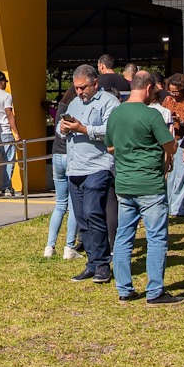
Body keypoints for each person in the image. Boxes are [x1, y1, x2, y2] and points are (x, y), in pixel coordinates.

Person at [107, 70, 182, 305]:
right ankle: (155, 291)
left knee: (123, 237)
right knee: (156, 237)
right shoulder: (151, 115)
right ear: (149, 88)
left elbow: (110, 148)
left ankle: (124, 289)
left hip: (124, 184)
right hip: (150, 184)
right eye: (156, 92)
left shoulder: (116, 113)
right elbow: (171, 148)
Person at [60, 64, 121, 284]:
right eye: (76, 88)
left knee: (94, 213)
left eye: (83, 87)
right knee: (82, 219)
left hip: (98, 166)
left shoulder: (109, 103)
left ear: (95, 83)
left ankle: (103, 264)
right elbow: (62, 127)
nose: (79, 92)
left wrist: (83, 129)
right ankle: (92, 263)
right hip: (75, 168)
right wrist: (64, 127)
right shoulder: (75, 103)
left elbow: (112, 131)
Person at [42, 86, 79, 259]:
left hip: (56, 155)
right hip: (71, 156)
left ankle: (50, 246)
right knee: (73, 206)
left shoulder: (59, 111)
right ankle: (69, 247)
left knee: (60, 204)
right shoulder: (77, 110)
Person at [161, 74, 184, 219]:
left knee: (183, 175)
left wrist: (181, 120)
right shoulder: (168, 101)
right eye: (171, 91)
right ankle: (170, 205)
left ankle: (181, 207)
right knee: (170, 175)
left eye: (176, 91)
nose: (173, 94)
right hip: (170, 140)